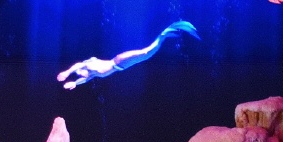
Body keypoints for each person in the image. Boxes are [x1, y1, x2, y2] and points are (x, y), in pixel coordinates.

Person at [57, 21, 199, 90]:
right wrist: (74, 83)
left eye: (79, 73)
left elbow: (78, 65)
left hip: (118, 61)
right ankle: (166, 34)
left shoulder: (88, 65)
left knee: (146, 53)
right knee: (147, 54)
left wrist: (67, 72)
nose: (81, 74)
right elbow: (84, 80)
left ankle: (165, 33)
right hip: (121, 65)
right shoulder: (90, 74)